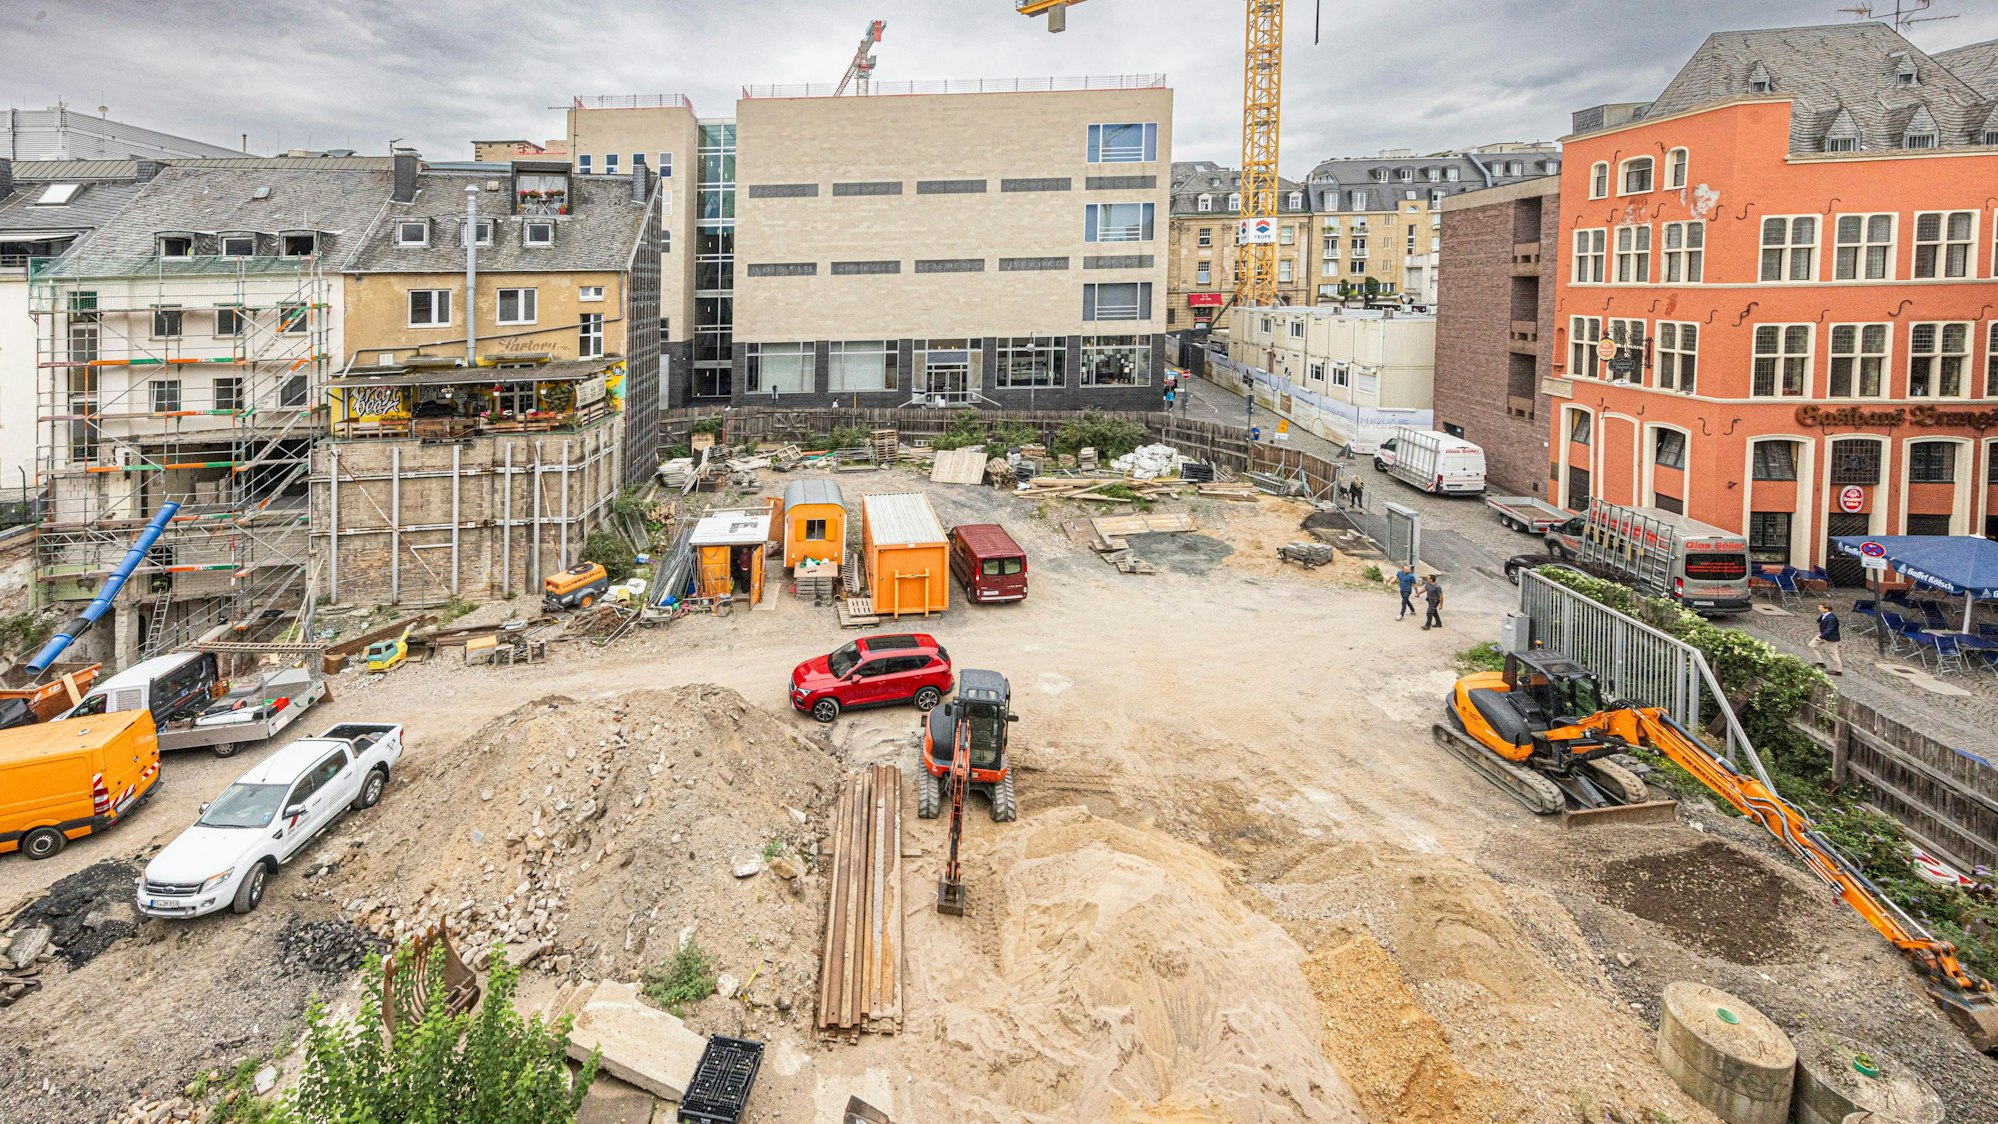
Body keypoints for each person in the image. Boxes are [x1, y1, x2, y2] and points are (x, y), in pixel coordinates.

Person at [1810, 603, 1844, 675]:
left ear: (1826, 609)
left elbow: (1830, 629)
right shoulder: (1825, 614)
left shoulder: (1831, 618)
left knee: (1833, 653)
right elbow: (1821, 619)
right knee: (1812, 645)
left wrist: (1820, 637)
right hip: (1824, 635)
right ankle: (1820, 662)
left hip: (1831, 638)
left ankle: (1838, 670)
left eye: (1820, 607)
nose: (1819, 608)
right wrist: (1818, 621)